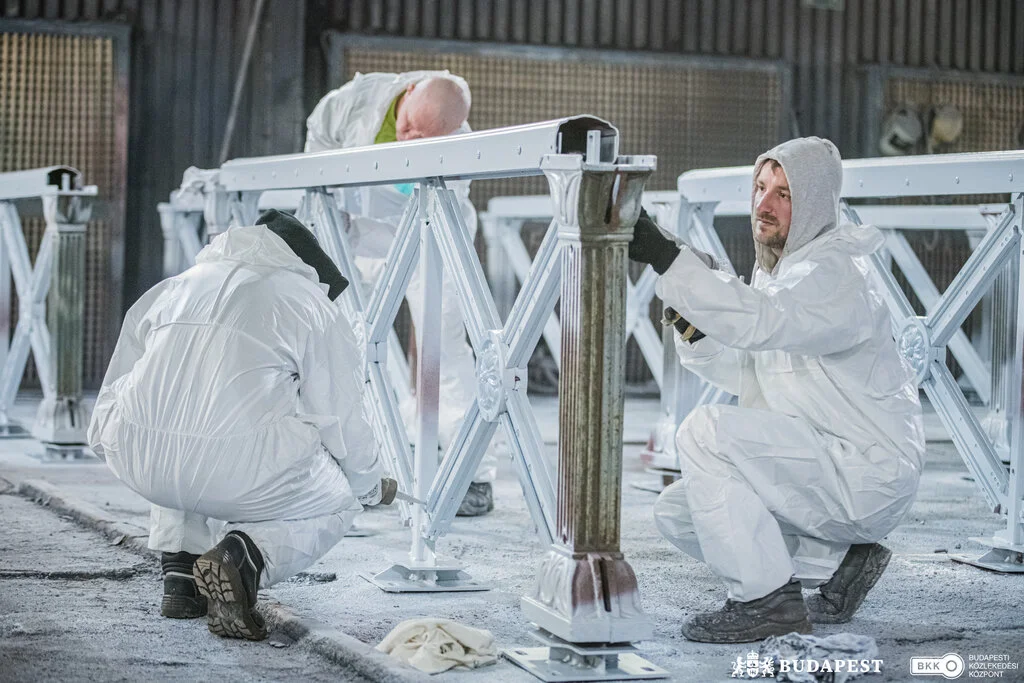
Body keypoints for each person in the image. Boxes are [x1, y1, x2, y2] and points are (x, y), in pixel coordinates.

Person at [627, 137, 925, 643]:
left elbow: (760, 322)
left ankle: (766, 602)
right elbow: (753, 372)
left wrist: (669, 258)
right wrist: (696, 330)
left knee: (705, 432)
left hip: (865, 471)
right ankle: (840, 563)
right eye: (760, 187)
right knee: (681, 512)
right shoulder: (784, 272)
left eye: (784, 194)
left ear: (814, 205)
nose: (763, 205)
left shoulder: (834, 273)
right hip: (825, 459)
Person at [88, 209, 384, 641]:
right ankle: (245, 557)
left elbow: (118, 382)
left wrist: (118, 440)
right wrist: (367, 484)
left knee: (176, 416)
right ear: (309, 267)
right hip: (235, 470)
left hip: (136, 459)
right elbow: (343, 417)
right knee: (340, 500)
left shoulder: (176, 286)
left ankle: (181, 571)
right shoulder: (309, 302)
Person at [305, 71, 497, 516]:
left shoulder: (458, 143)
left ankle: (473, 475)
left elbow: (433, 212)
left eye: (424, 137)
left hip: (429, 240)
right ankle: (362, 470)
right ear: (408, 93)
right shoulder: (352, 102)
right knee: (343, 348)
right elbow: (317, 150)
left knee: (443, 352)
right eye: (408, 125)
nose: (409, 138)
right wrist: (328, 212)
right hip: (352, 237)